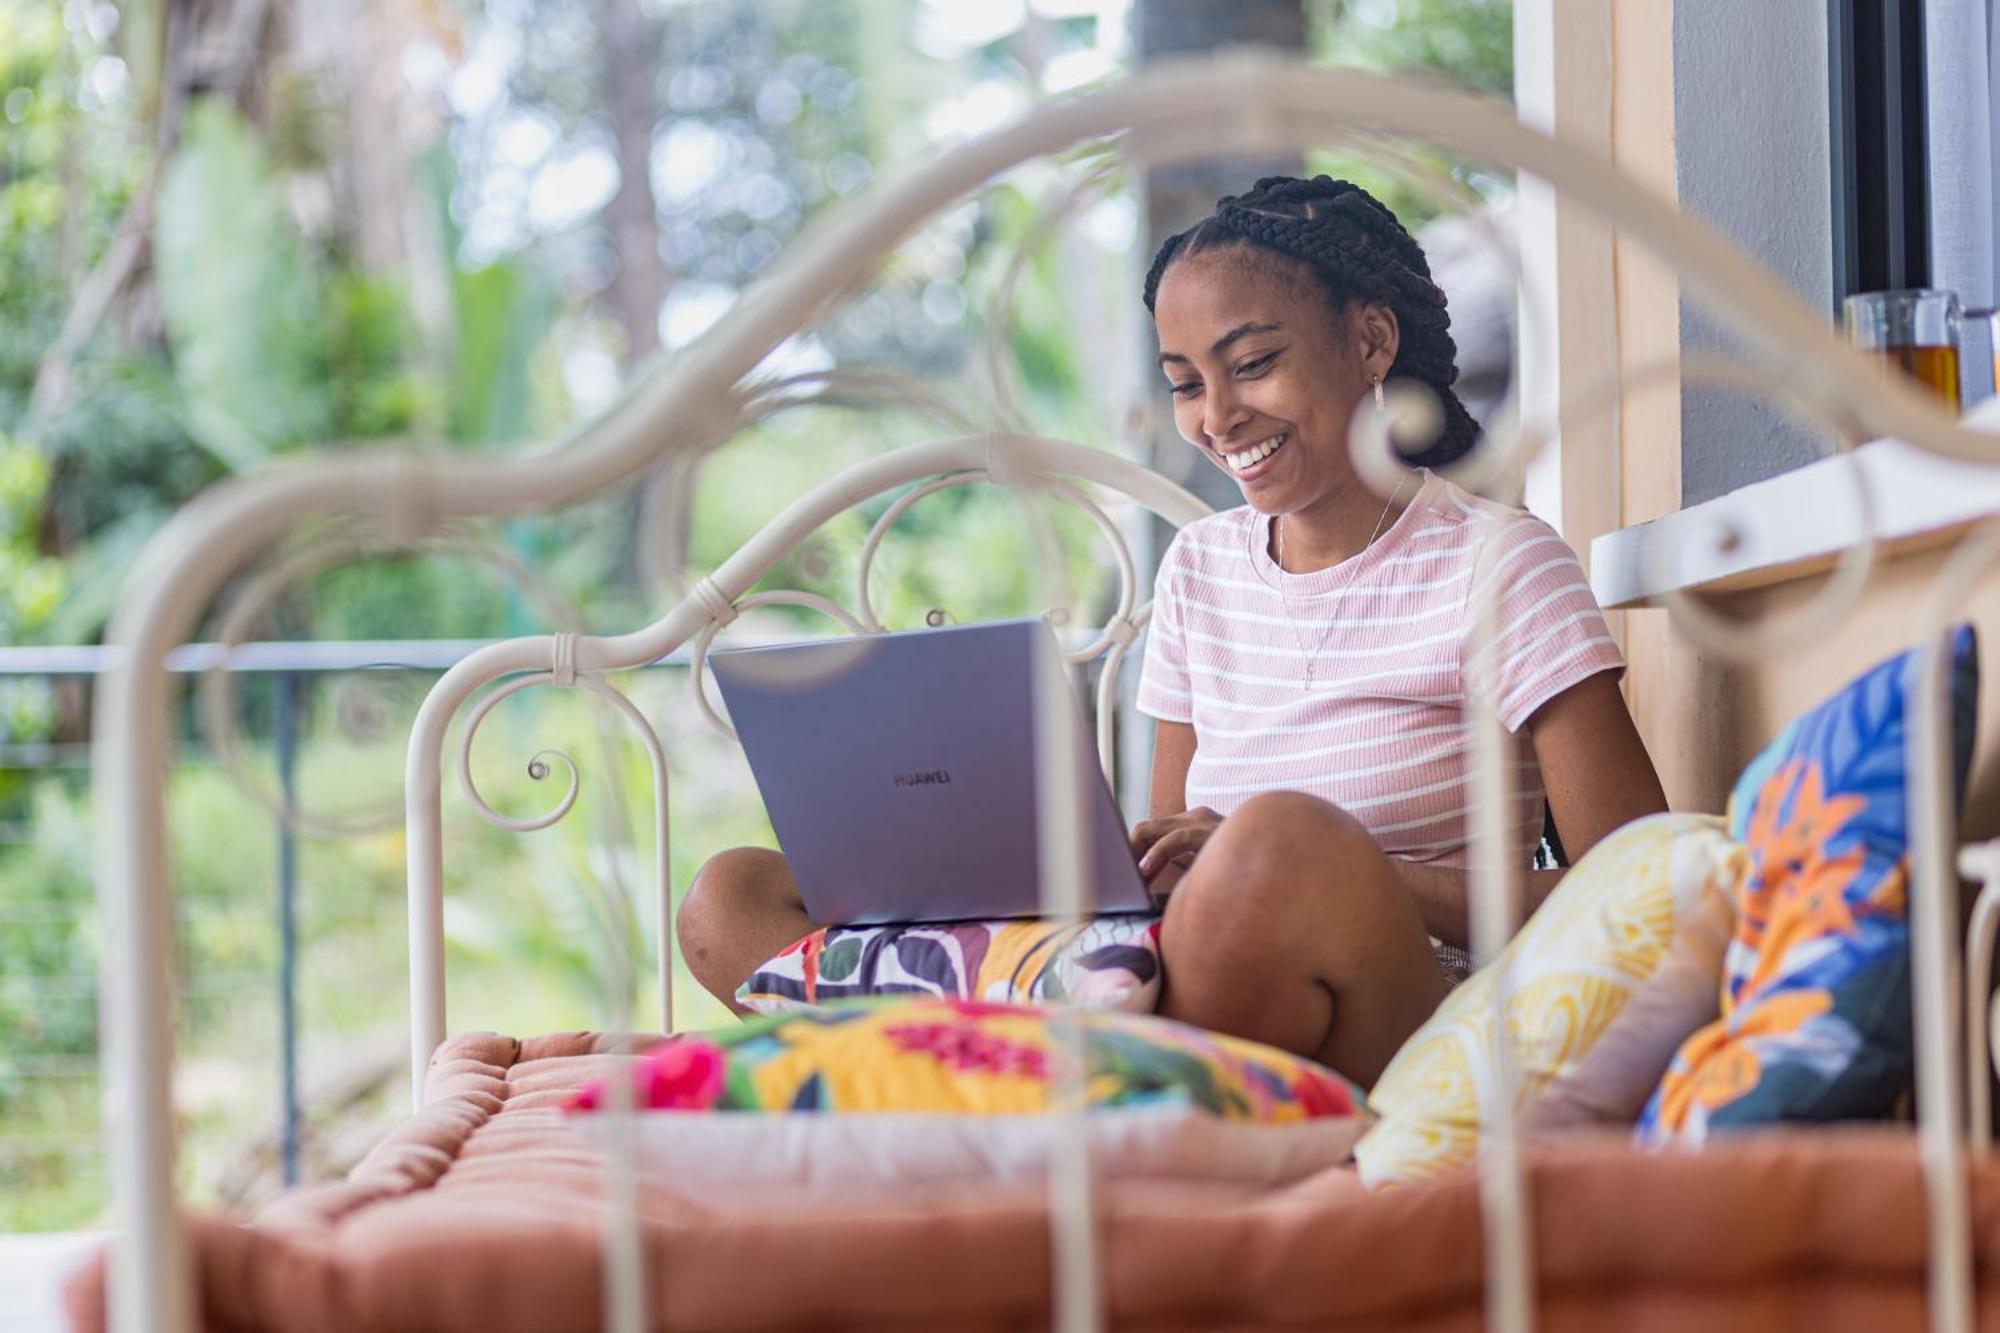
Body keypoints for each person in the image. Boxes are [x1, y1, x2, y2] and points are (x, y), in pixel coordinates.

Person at [678, 175, 1668, 1089]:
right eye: (1186, 382)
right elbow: (1160, 872)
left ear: (1370, 342)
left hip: (1399, 1020)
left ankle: (1014, 1077)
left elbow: (1636, 893)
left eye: (1252, 364)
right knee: (731, 897)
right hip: (1194, 981)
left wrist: (1343, 871)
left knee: (1276, 840)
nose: (1218, 416)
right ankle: (1045, 1074)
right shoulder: (1199, 566)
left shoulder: (1498, 561)